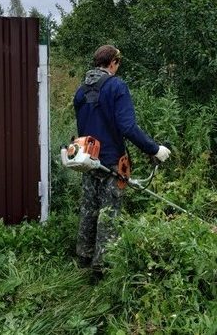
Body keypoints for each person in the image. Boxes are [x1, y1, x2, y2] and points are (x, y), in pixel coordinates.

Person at [73, 44, 171, 272]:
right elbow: (127, 127)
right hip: (111, 162)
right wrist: (154, 149)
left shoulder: (81, 91)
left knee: (89, 210)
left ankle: (83, 258)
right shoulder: (117, 86)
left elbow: (83, 126)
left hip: (87, 158)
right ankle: (102, 268)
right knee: (109, 214)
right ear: (113, 63)